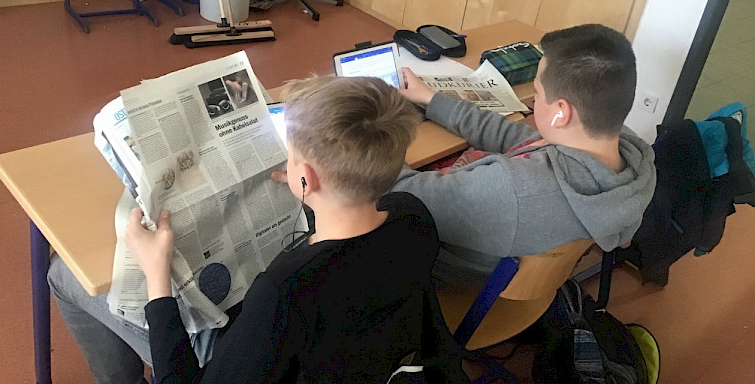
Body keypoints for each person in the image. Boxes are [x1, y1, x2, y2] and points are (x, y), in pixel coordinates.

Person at [48, 76, 466, 384]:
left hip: (268, 349)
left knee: (65, 276)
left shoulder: (284, 291)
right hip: (364, 362)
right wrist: (310, 187)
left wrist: (158, 279)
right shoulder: (412, 216)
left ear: (307, 177)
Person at [393, 24, 657, 286]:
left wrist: (378, 135)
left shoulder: (512, 188)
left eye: (538, 93)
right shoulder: (631, 157)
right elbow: (516, 138)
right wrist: (432, 99)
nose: (533, 101)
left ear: (561, 112)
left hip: (448, 269)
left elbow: (402, 194)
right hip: (513, 259)